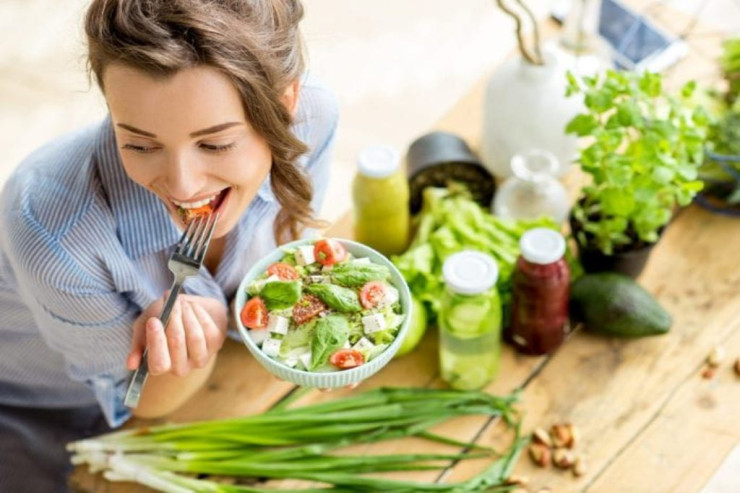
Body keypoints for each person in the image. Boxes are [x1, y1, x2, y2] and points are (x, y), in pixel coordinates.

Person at [0, 0, 338, 490]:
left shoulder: (314, 116)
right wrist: (198, 338)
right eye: (139, 144)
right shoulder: (49, 227)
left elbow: (284, 261)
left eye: (216, 144)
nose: (181, 185)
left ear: (285, 105)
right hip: (36, 411)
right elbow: (140, 400)